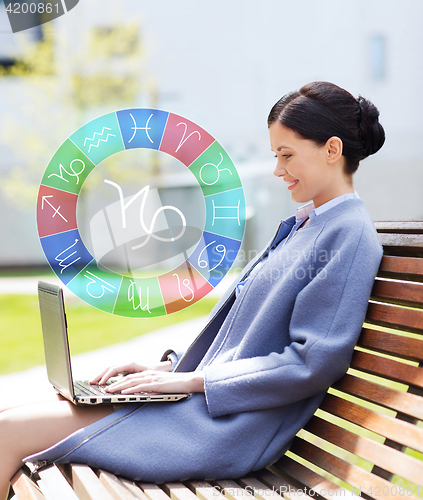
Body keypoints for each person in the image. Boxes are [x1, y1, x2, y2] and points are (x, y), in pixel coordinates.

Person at [0, 81, 385, 499]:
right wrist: (167, 371)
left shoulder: (349, 236)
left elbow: (312, 362)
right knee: (8, 418)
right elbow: (244, 344)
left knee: (8, 432)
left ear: (332, 150)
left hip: (221, 426)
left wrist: (191, 382)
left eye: (287, 155)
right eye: (276, 156)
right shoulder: (306, 226)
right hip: (202, 408)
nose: (278, 170)